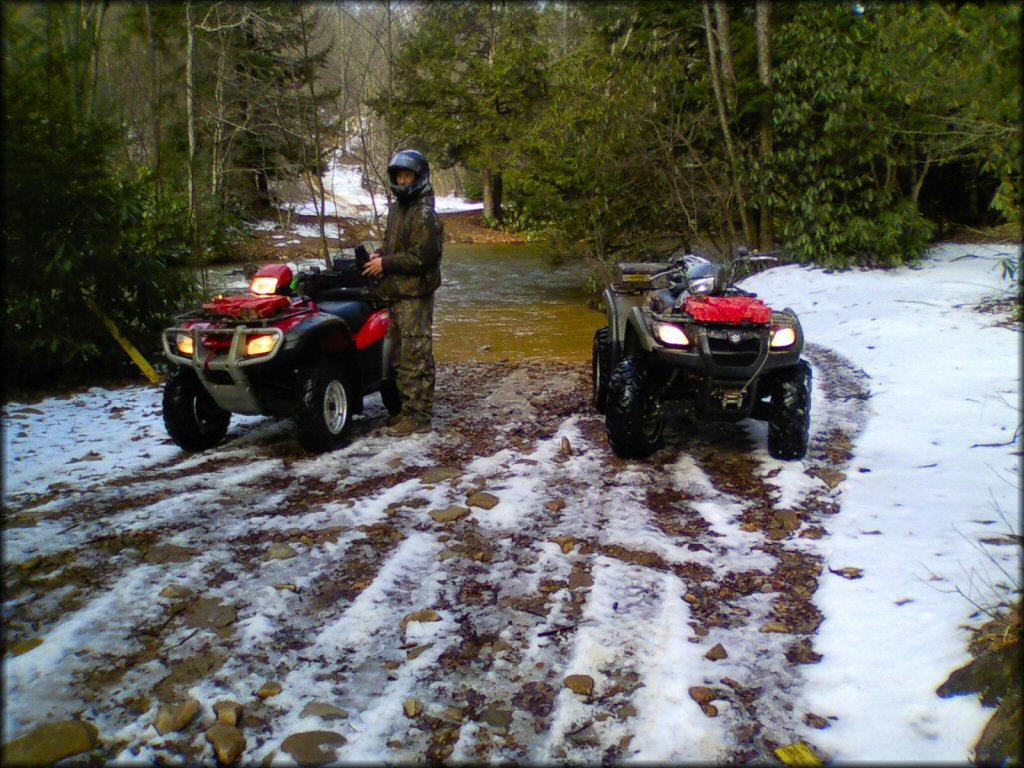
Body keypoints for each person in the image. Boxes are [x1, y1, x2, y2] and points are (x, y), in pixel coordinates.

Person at [362, 149, 443, 435]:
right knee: (398, 356)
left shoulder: (424, 214)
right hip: (396, 294)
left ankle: (418, 416)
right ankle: (405, 410)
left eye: (408, 176)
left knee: (415, 356)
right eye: (399, 176)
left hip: (415, 296)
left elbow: (422, 257)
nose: (403, 181)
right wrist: (379, 256)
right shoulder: (397, 210)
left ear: (418, 178)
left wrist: (386, 262)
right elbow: (397, 249)